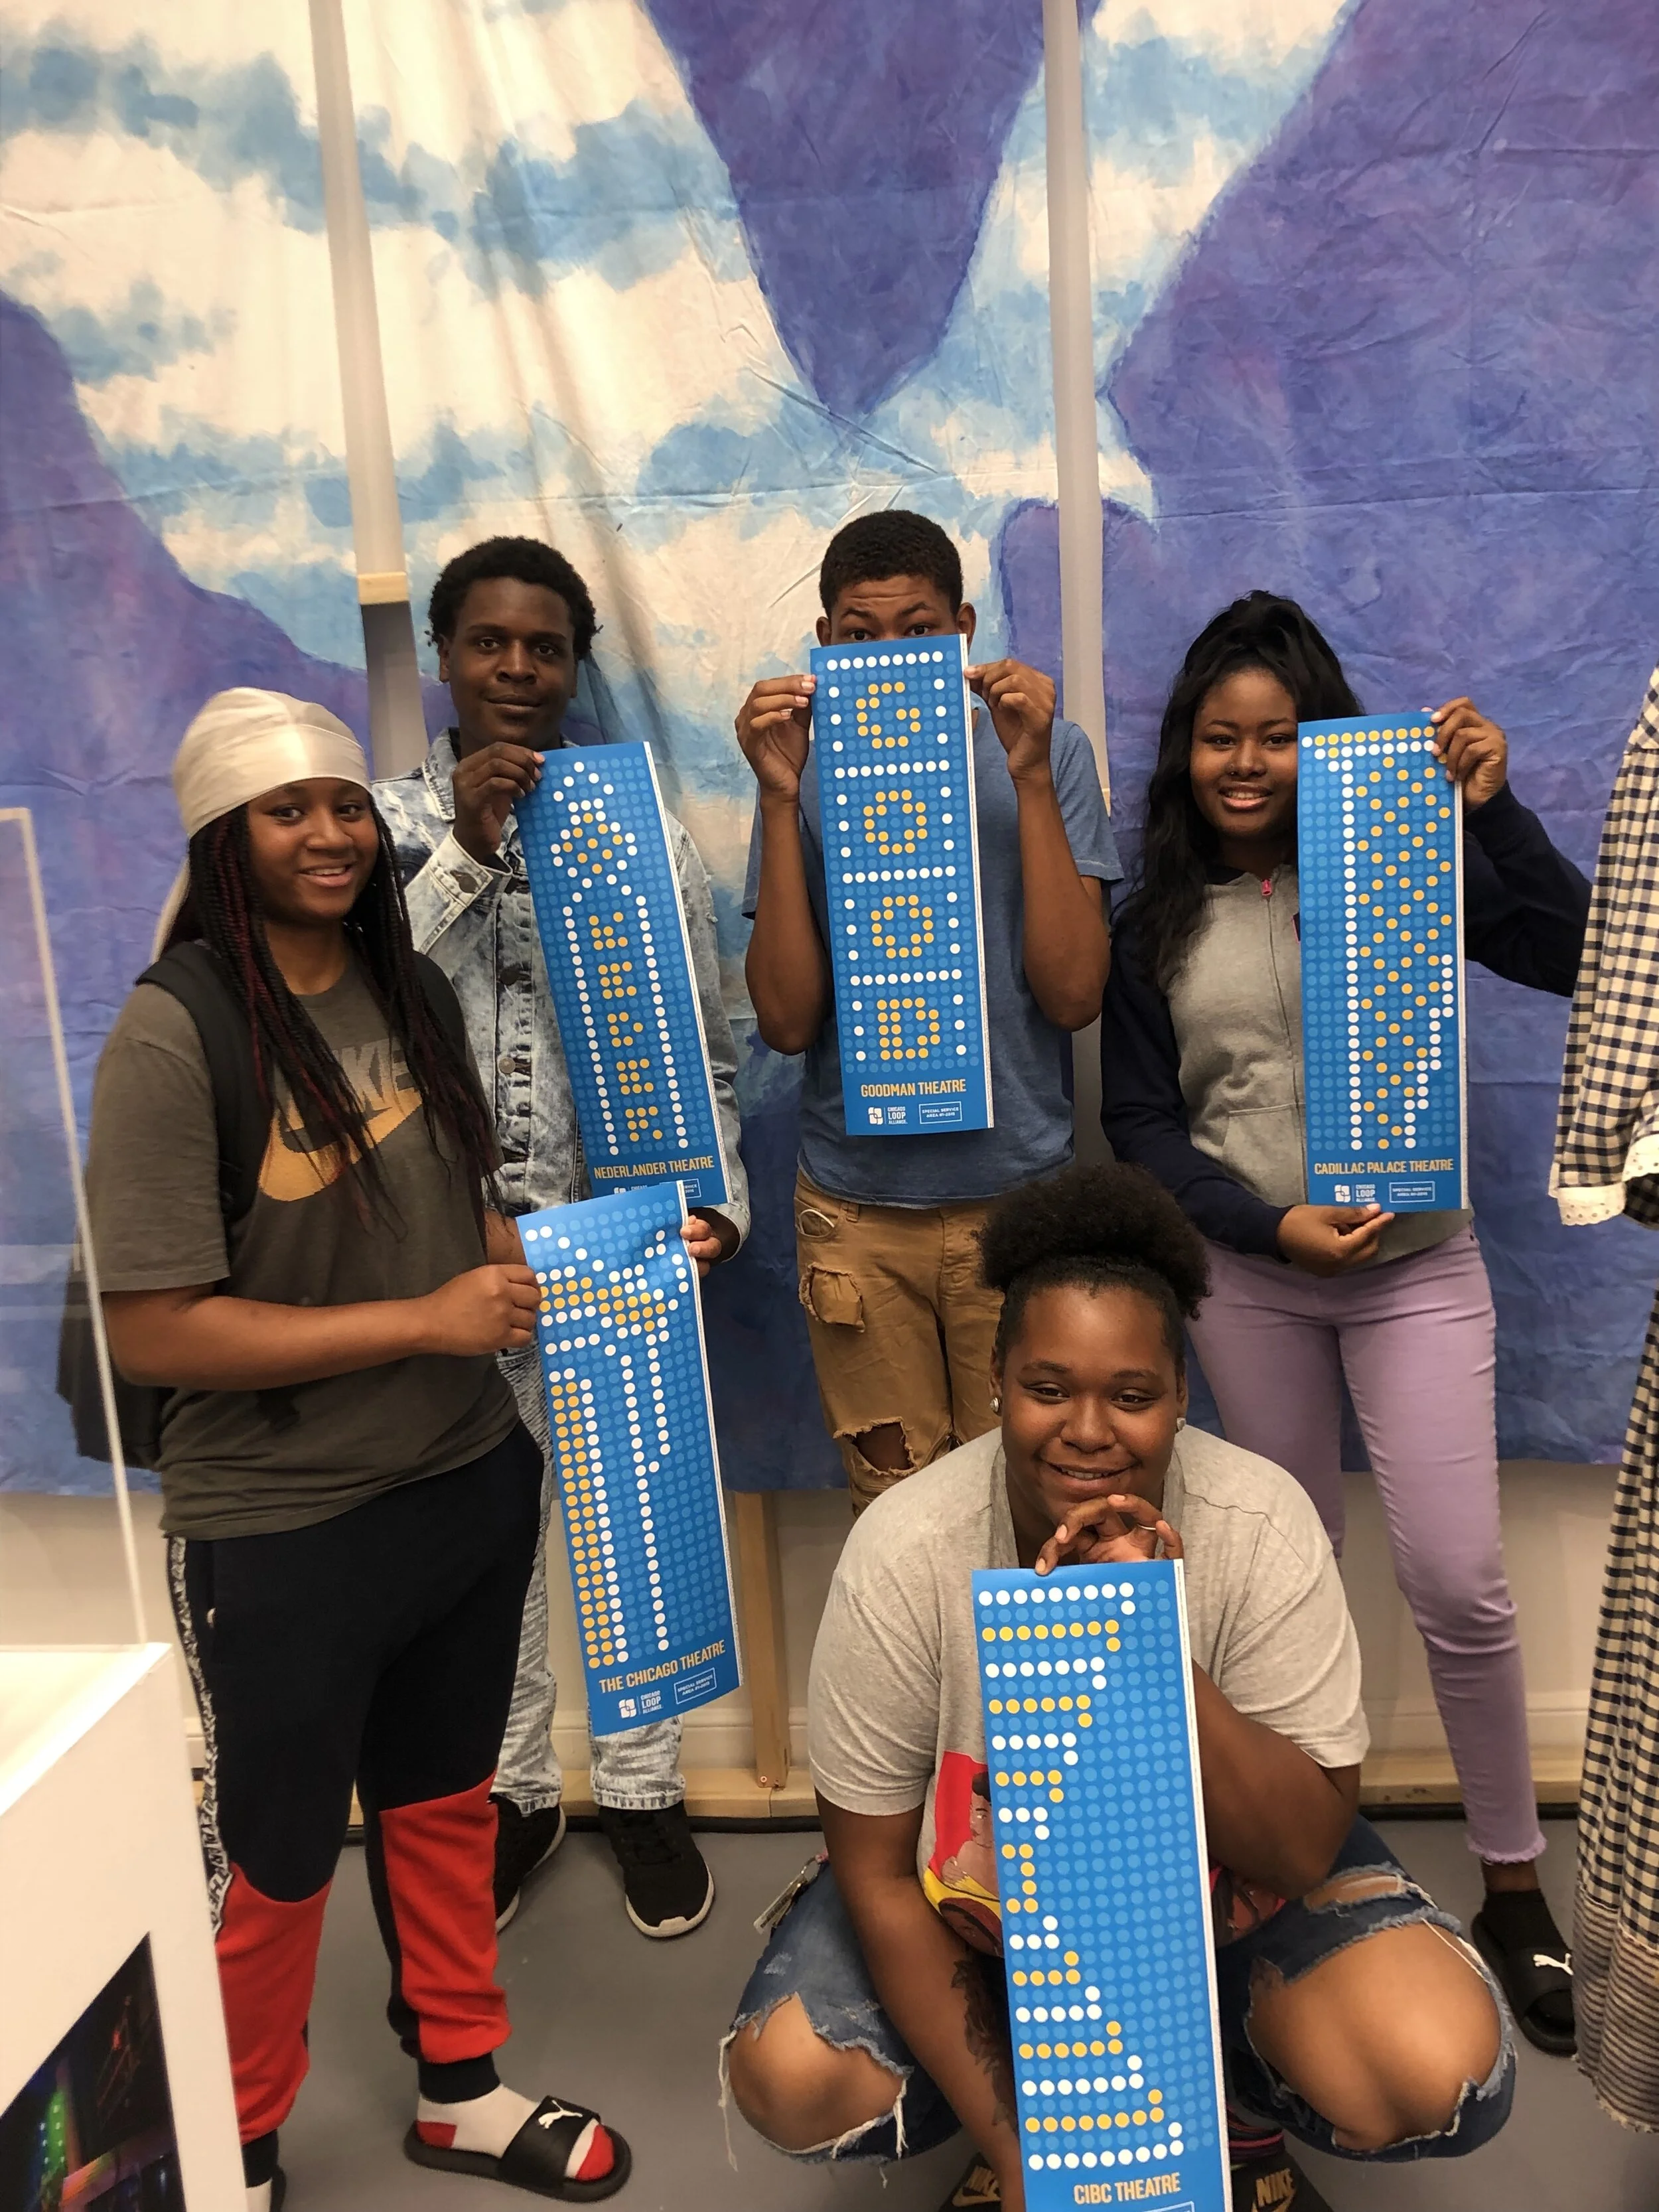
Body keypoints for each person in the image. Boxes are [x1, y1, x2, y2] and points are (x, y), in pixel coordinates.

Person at [723, 1163, 1514, 2212]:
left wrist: (1146, 1640)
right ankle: (1032, 2092)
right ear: (998, 1380)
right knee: (794, 2075)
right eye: (1048, 1388)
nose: (1089, 1430)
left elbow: (1299, 1850)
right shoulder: (906, 1547)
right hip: (976, 1900)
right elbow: (876, 1875)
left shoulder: (1260, 1522)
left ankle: (1231, 2101)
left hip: (1222, 1889)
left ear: (1181, 1398)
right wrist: (1025, 2158)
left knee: (1433, 2071)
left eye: (1133, 1396)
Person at [85, 691, 630, 2209]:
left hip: (462, 1483)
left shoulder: (413, 996)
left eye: (344, 803)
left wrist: (601, 1253)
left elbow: (457, 1230)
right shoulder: (174, 1031)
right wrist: (423, 1322)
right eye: (288, 809)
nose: (329, 833)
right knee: (273, 1855)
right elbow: (157, 1330)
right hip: (283, 1523)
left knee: (446, 1809)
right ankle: (239, 2147)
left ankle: (460, 2088)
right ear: (224, 835)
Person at [1100, 591, 1589, 2057]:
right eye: (1219, 738)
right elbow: (1142, 1126)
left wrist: (1492, 814)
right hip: (1250, 1278)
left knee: (1458, 1578)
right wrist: (1265, 1229)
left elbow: (1577, 953)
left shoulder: (1403, 868)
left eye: (1279, 736)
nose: (1246, 764)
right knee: (1281, 1573)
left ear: (1325, 747)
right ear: (1186, 752)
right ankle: (1295, 1866)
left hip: (1416, 1269)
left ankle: (1513, 1881)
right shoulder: (1154, 922)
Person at [377, 536, 749, 1937]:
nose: (519, 669)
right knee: (493, 1552)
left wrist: (712, 1203)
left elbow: (706, 1041)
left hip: (614, 1241)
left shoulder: (640, 832)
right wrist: (470, 850)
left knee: (632, 1528)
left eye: (546, 646)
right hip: (444, 1262)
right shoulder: (380, 829)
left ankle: (643, 1792)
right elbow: (352, 1012)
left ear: (576, 664)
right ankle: (517, 1794)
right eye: (490, 642)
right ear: (446, 658)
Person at [738, 510, 1119, 1511]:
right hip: (856, 1212)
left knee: (1037, 1510)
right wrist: (778, 797)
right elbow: (785, 1023)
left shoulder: (1047, 750)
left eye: (918, 631)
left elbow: (1076, 996)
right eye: (860, 636)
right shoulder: (800, 764)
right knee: (895, 1517)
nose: (890, 656)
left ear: (963, 628)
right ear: (825, 643)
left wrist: (1028, 774)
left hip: (1018, 1201)